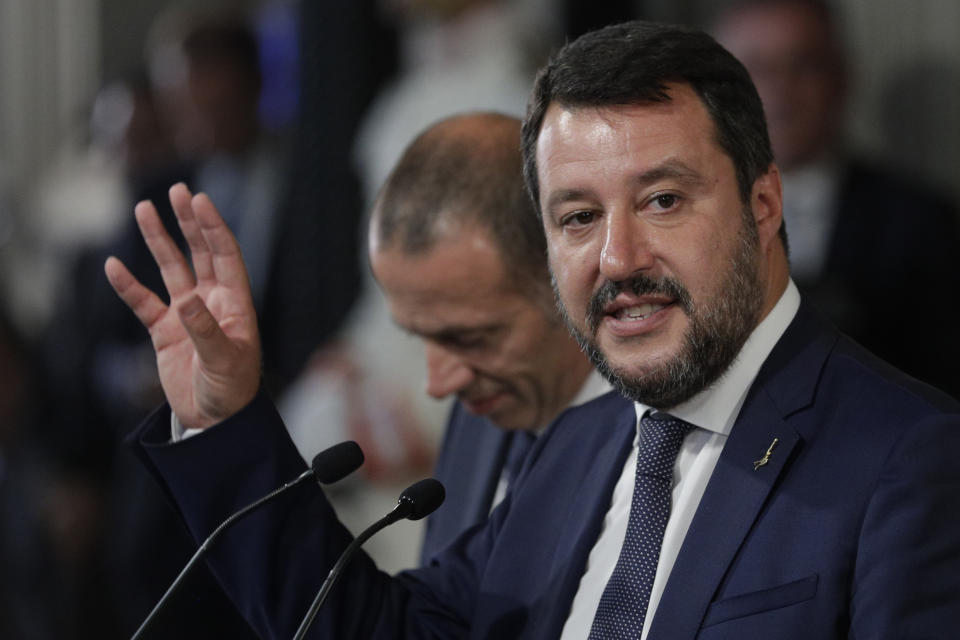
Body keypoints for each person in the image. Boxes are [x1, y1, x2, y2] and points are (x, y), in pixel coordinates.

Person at [107, 20, 960, 639]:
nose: (618, 256)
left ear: (762, 204)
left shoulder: (910, 458)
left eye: (662, 200)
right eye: (578, 217)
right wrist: (226, 418)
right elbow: (383, 629)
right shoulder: (572, 447)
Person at [365, 112, 606, 561]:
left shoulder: (661, 445)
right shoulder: (484, 412)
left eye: (471, 339)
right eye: (421, 337)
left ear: (565, 276)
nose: (439, 384)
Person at [710, 0, 960, 396]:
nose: (780, 89)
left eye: (803, 64)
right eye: (757, 68)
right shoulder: (681, 219)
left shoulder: (924, 224)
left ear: (842, 78)